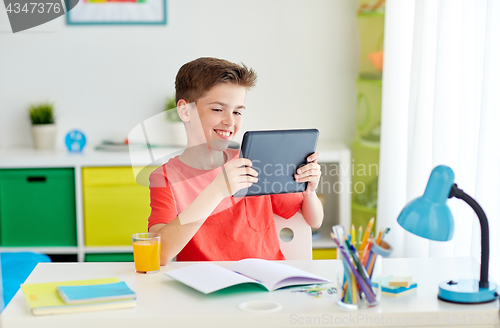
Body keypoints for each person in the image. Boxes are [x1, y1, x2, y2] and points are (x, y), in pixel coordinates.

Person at [148, 57, 323, 265]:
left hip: (265, 282)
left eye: (237, 112)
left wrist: (309, 192)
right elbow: (158, 254)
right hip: (206, 287)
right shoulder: (166, 177)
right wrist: (217, 190)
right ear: (185, 111)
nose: (230, 121)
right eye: (217, 109)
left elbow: (314, 220)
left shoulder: (253, 161)